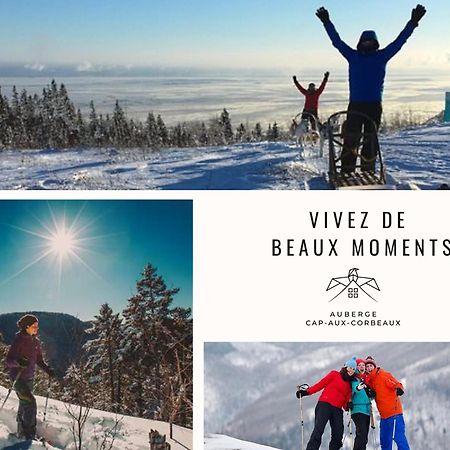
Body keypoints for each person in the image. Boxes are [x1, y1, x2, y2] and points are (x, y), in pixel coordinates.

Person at [315, 5, 427, 173]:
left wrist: (412, 23)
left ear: (375, 43)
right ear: (360, 43)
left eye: (370, 41)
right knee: (351, 139)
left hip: (374, 106)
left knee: (370, 141)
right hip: (356, 105)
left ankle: (367, 171)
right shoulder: (352, 55)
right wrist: (327, 23)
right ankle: (347, 171)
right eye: (364, 41)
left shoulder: (382, 56)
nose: (367, 43)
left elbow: (400, 41)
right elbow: (336, 41)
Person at [5, 314, 56, 440]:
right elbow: (9, 360)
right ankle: (29, 435)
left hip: (29, 379)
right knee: (30, 403)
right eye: (34, 326)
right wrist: (19, 362)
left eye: (37, 326)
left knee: (24, 404)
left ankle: (20, 432)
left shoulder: (36, 342)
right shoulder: (19, 340)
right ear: (27, 327)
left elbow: (39, 360)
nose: (37, 328)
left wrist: (47, 369)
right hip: (18, 378)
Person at [296, 356, 356, 450]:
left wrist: (348, 405)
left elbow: (346, 401)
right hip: (325, 405)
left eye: (353, 369)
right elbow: (321, 384)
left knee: (338, 434)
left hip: (337, 409)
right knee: (318, 430)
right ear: (345, 367)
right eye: (350, 367)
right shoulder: (334, 374)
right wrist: (306, 392)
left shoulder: (349, 385)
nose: (351, 370)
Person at [364, 356, 410, 450]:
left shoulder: (383, 375)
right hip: (384, 417)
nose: (369, 368)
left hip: (394, 413)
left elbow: (397, 384)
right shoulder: (370, 381)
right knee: (385, 442)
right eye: (367, 366)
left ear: (374, 366)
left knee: (399, 438)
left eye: (370, 366)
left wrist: (399, 389)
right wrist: (371, 393)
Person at [349, 358, 373, 450]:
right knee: (362, 434)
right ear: (356, 367)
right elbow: (354, 388)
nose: (362, 367)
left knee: (364, 437)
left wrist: (372, 394)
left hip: (366, 411)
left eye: (363, 365)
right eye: (359, 365)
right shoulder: (355, 378)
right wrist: (358, 388)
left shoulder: (365, 379)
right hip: (357, 409)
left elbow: (366, 395)